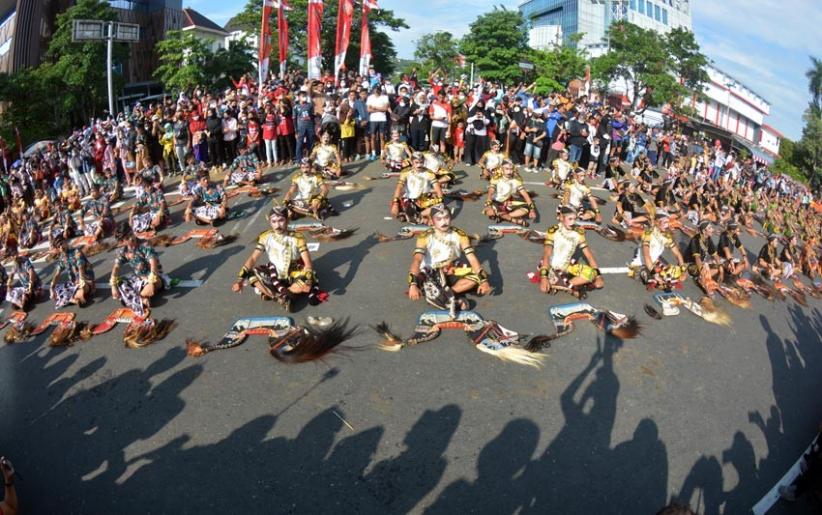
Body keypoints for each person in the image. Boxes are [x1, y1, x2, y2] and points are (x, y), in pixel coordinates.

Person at [232, 204, 321, 312]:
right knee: (251, 274)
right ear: (270, 222)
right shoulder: (265, 237)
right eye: (273, 222)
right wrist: (239, 280)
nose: (277, 225)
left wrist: (308, 279)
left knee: (307, 279)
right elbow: (253, 258)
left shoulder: (298, 237)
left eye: (281, 220)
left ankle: (280, 293)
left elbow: (308, 263)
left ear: (287, 220)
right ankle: (280, 296)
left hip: (293, 273)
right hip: (274, 272)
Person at [407, 204, 491, 312]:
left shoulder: (460, 235)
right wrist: (412, 284)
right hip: (431, 272)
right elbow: (417, 260)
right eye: (439, 219)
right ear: (432, 221)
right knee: (428, 278)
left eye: (446, 218)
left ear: (451, 218)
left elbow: (472, 259)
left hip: (451, 270)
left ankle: (445, 295)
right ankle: (446, 296)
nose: (444, 222)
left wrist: (484, 281)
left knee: (476, 278)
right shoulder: (425, 237)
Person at [538, 206, 604, 298]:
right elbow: (547, 254)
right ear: (561, 217)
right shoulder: (553, 231)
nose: (572, 222)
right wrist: (544, 277)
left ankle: (562, 285)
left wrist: (598, 276)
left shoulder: (579, 233)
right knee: (544, 285)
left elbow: (589, 256)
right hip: (551, 265)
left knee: (591, 274)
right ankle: (567, 286)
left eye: (574, 219)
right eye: (570, 219)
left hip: (566, 267)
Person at [110, 222, 164, 318]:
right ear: (122, 242)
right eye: (127, 238)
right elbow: (116, 267)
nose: (131, 238)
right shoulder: (123, 251)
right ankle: (141, 299)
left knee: (131, 293)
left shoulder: (145, 244)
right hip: (139, 280)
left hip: (154, 278)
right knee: (120, 284)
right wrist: (113, 285)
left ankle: (135, 299)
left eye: (131, 234)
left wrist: (151, 282)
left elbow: (153, 262)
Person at [628, 212, 686, 290]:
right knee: (651, 279)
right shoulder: (648, 233)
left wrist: (683, 271)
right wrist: (655, 274)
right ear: (658, 223)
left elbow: (677, 254)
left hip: (654, 262)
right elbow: (646, 255)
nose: (669, 228)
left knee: (673, 272)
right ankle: (655, 279)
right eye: (665, 224)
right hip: (640, 264)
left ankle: (662, 279)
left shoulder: (667, 237)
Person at [391, 152, 444, 223]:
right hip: (410, 199)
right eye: (416, 162)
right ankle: (417, 215)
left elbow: (437, 187)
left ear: (424, 162)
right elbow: (399, 187)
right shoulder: (405, 172)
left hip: (424, 199)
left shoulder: (429, 173)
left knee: (440, 208)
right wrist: (395, 203)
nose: (419, 165)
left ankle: (418, 215)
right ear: (412, 161)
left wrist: (440, 201)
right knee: (394, 211)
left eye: (421, 162)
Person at [483, 160, 537, 226]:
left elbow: (525, 195)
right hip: (497, 202)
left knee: (526, 209)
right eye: (507, 169)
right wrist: (488, 203)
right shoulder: (496, 178)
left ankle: (504, 216)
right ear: (502, 169)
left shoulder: (517, 180)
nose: (509, 171)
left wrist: (532, 210)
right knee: (489, 212)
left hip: (510, 202)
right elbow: (490, 192)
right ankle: (516, 221)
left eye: (511, 169)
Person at [49, 235, 94, 308]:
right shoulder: (62, 258)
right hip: (74, 283)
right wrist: (52, 288)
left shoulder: (76, 252)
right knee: (55, 291)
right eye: (58, 247)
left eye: (61, 244)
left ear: (65, 242)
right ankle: (75, 299)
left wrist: (81, 279)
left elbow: (80, 267)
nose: (61, 247)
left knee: (81, 288)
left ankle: (76, 298)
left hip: (85, 279)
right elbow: (57, 274)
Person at [685, 221, 721, 294]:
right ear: (704, 231)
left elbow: (715, 255)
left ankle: (702, 278)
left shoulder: (708, 239)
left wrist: (721, 268)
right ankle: (701, 279)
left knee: (717, 268)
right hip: (690, 264)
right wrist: (702, 270)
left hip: (701, 263)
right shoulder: (695, 240)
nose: (712, 230)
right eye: (710, 228)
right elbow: (697, 258)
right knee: (704, 268)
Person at [366, 86, 390, 159]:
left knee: (382, 137)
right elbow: (368, 110)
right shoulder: (370, 97)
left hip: (382, 119)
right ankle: (373, 154)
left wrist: (375, 108)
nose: (376, 92)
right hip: (373, 120)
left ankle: (382, 153)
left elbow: (386, 108)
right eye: (374, 91)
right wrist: (380, 109)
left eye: (377, 91)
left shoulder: (385, 97)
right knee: (372, 137)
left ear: (380, 91)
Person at [293, 90, 315, 161]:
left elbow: (312, 116)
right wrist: (296, 131)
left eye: (305, 96)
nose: (304, 97)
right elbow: (294, 119)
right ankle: (299, 160)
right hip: (300, 128)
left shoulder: (310, 105)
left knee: (311, 143)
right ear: (299, 97)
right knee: (299, 144)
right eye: (302, 96)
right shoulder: (296, 107)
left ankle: (311, 159)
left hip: (310, 127)